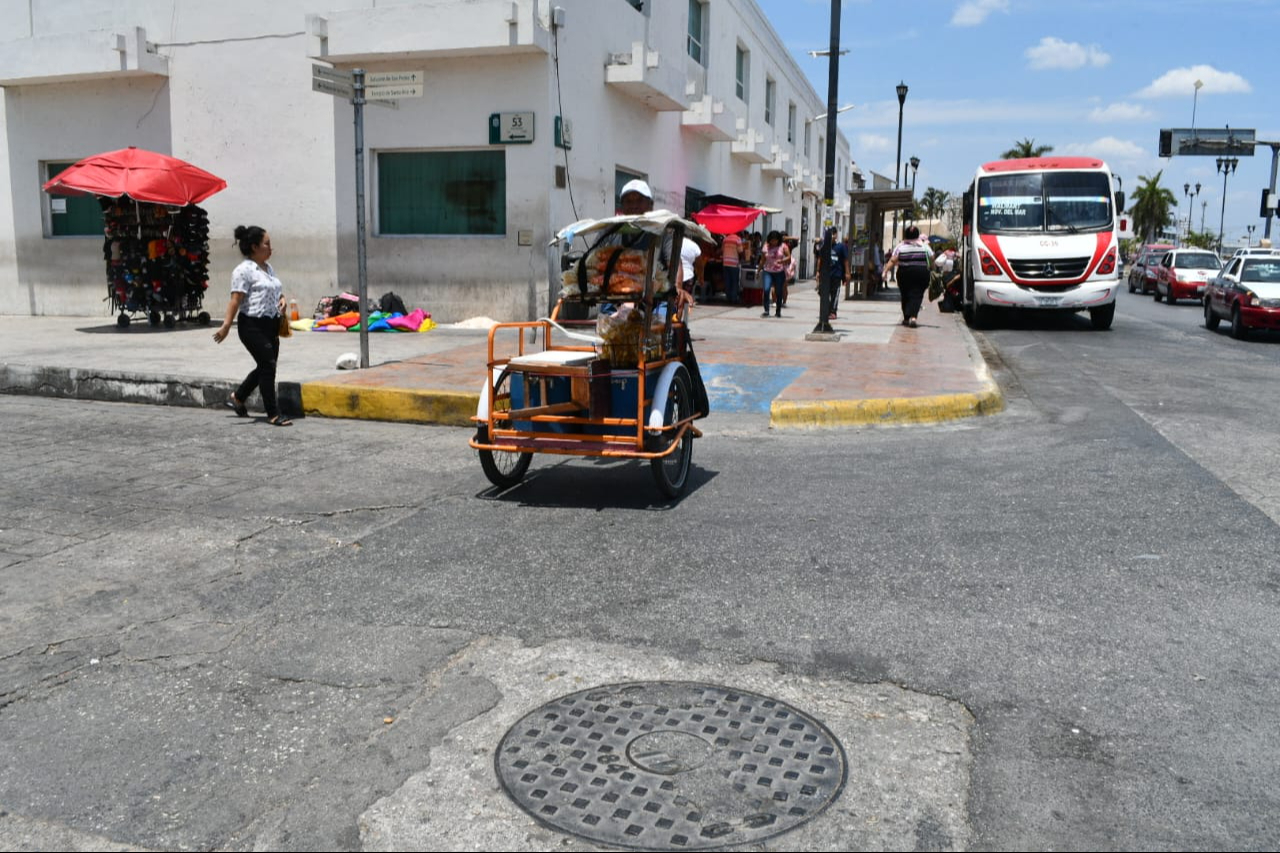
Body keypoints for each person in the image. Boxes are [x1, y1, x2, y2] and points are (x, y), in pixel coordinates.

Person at [213, 225, 291, 426]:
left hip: (271, 325)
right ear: (255, 247)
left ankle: (238, 397)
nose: (270, 248)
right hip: (252, 327)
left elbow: (274, 290)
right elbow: (235, 300)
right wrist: (226, 326)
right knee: (268, 366)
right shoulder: (243, 271)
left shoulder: (268, 268)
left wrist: (282, 299)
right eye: (267, 244)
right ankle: (273, 413)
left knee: (266, 366)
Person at [882, 225, 933, 327]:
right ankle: (913, 317)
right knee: (917, 295)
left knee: (905, 294)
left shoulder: (900, 246)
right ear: (917, 235)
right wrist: (932, 268)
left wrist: (885, 271)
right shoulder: (924, 246)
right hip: (921, 273)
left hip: (905, 273)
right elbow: (931, 258)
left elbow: (893, 260)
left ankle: (906, 318)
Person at [814, 226, 848, 334]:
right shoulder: (824, 246)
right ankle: (827, 308)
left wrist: (847, 273)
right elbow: (819, 258)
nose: (832, 236)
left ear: (836, 235)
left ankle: (833, 311)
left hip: (836, 274)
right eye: (830, 234)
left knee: (835, 294)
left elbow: (845, 260)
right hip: (825, 275)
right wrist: (818, 272)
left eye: (834, 234)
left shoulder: (841, 247)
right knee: (822, 292)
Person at [760, 230, 790, 318]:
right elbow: (762, 260)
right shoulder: (766, 246)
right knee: (766, 289)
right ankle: (766, 310)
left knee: (779, 291)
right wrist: (758, 270)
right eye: (772, 240)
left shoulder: (783, 246)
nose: (774, 242)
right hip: (767, 271)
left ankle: (778, 311)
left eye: (776, 240)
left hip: (779, 272)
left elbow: (789, 257)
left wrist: (782, 261)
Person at [720, 229, 743, 304]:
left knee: (727, 281)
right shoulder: (738, 239)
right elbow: (740, 251)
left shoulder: (725, 239)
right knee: (734, 281)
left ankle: (728, 297)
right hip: (734, 263)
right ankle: (733, 298)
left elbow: (722, 250)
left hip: (725, 262)